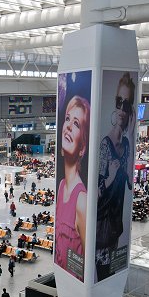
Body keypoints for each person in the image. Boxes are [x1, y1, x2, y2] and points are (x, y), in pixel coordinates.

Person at [96, 72, 135, 282]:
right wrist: (110, 177)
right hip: (101, 229)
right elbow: (96, 194)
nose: (121, 110)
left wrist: (133, 134)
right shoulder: (105, 145)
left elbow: (130, 181)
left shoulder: (126, 144)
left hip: (115, 227)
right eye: (119, 102)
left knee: (111, 277)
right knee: (103, 277)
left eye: (127, 105)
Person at [55, 95, 89, 281]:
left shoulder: (81, 200)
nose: (68, 125)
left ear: (82, 147)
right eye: (67, 119)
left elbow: (89, 263)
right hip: (63, 283)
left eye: (76, 124)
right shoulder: (61, 187)